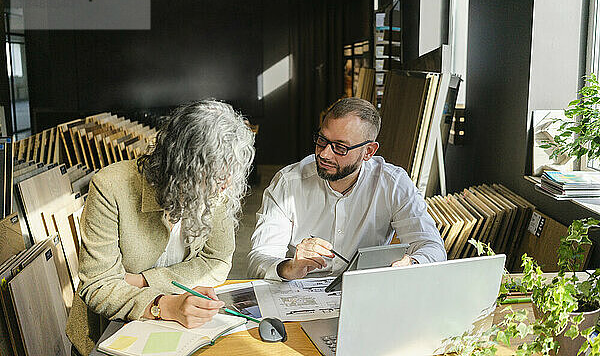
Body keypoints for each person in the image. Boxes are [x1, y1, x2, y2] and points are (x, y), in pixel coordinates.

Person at [66, 100, 255, 355]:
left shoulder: (217, 188)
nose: (226, 184)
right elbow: (99, 285)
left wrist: (144, 281)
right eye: (216, 175)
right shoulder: (111, 187)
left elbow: (218, 260)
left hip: (181, 333)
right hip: (113, 332)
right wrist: (165, 306)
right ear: (182, 166)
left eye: (231, 171)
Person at [248, 97, 446, 281]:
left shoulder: (393, 183)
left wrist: (411, 263)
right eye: (322, 140)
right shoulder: (288, 182)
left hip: (366, 292)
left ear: (368, 151)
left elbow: (432, 247)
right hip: (299, 292)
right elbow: (259, 259)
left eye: (340, 148)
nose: (324, 154)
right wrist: (288, 267)